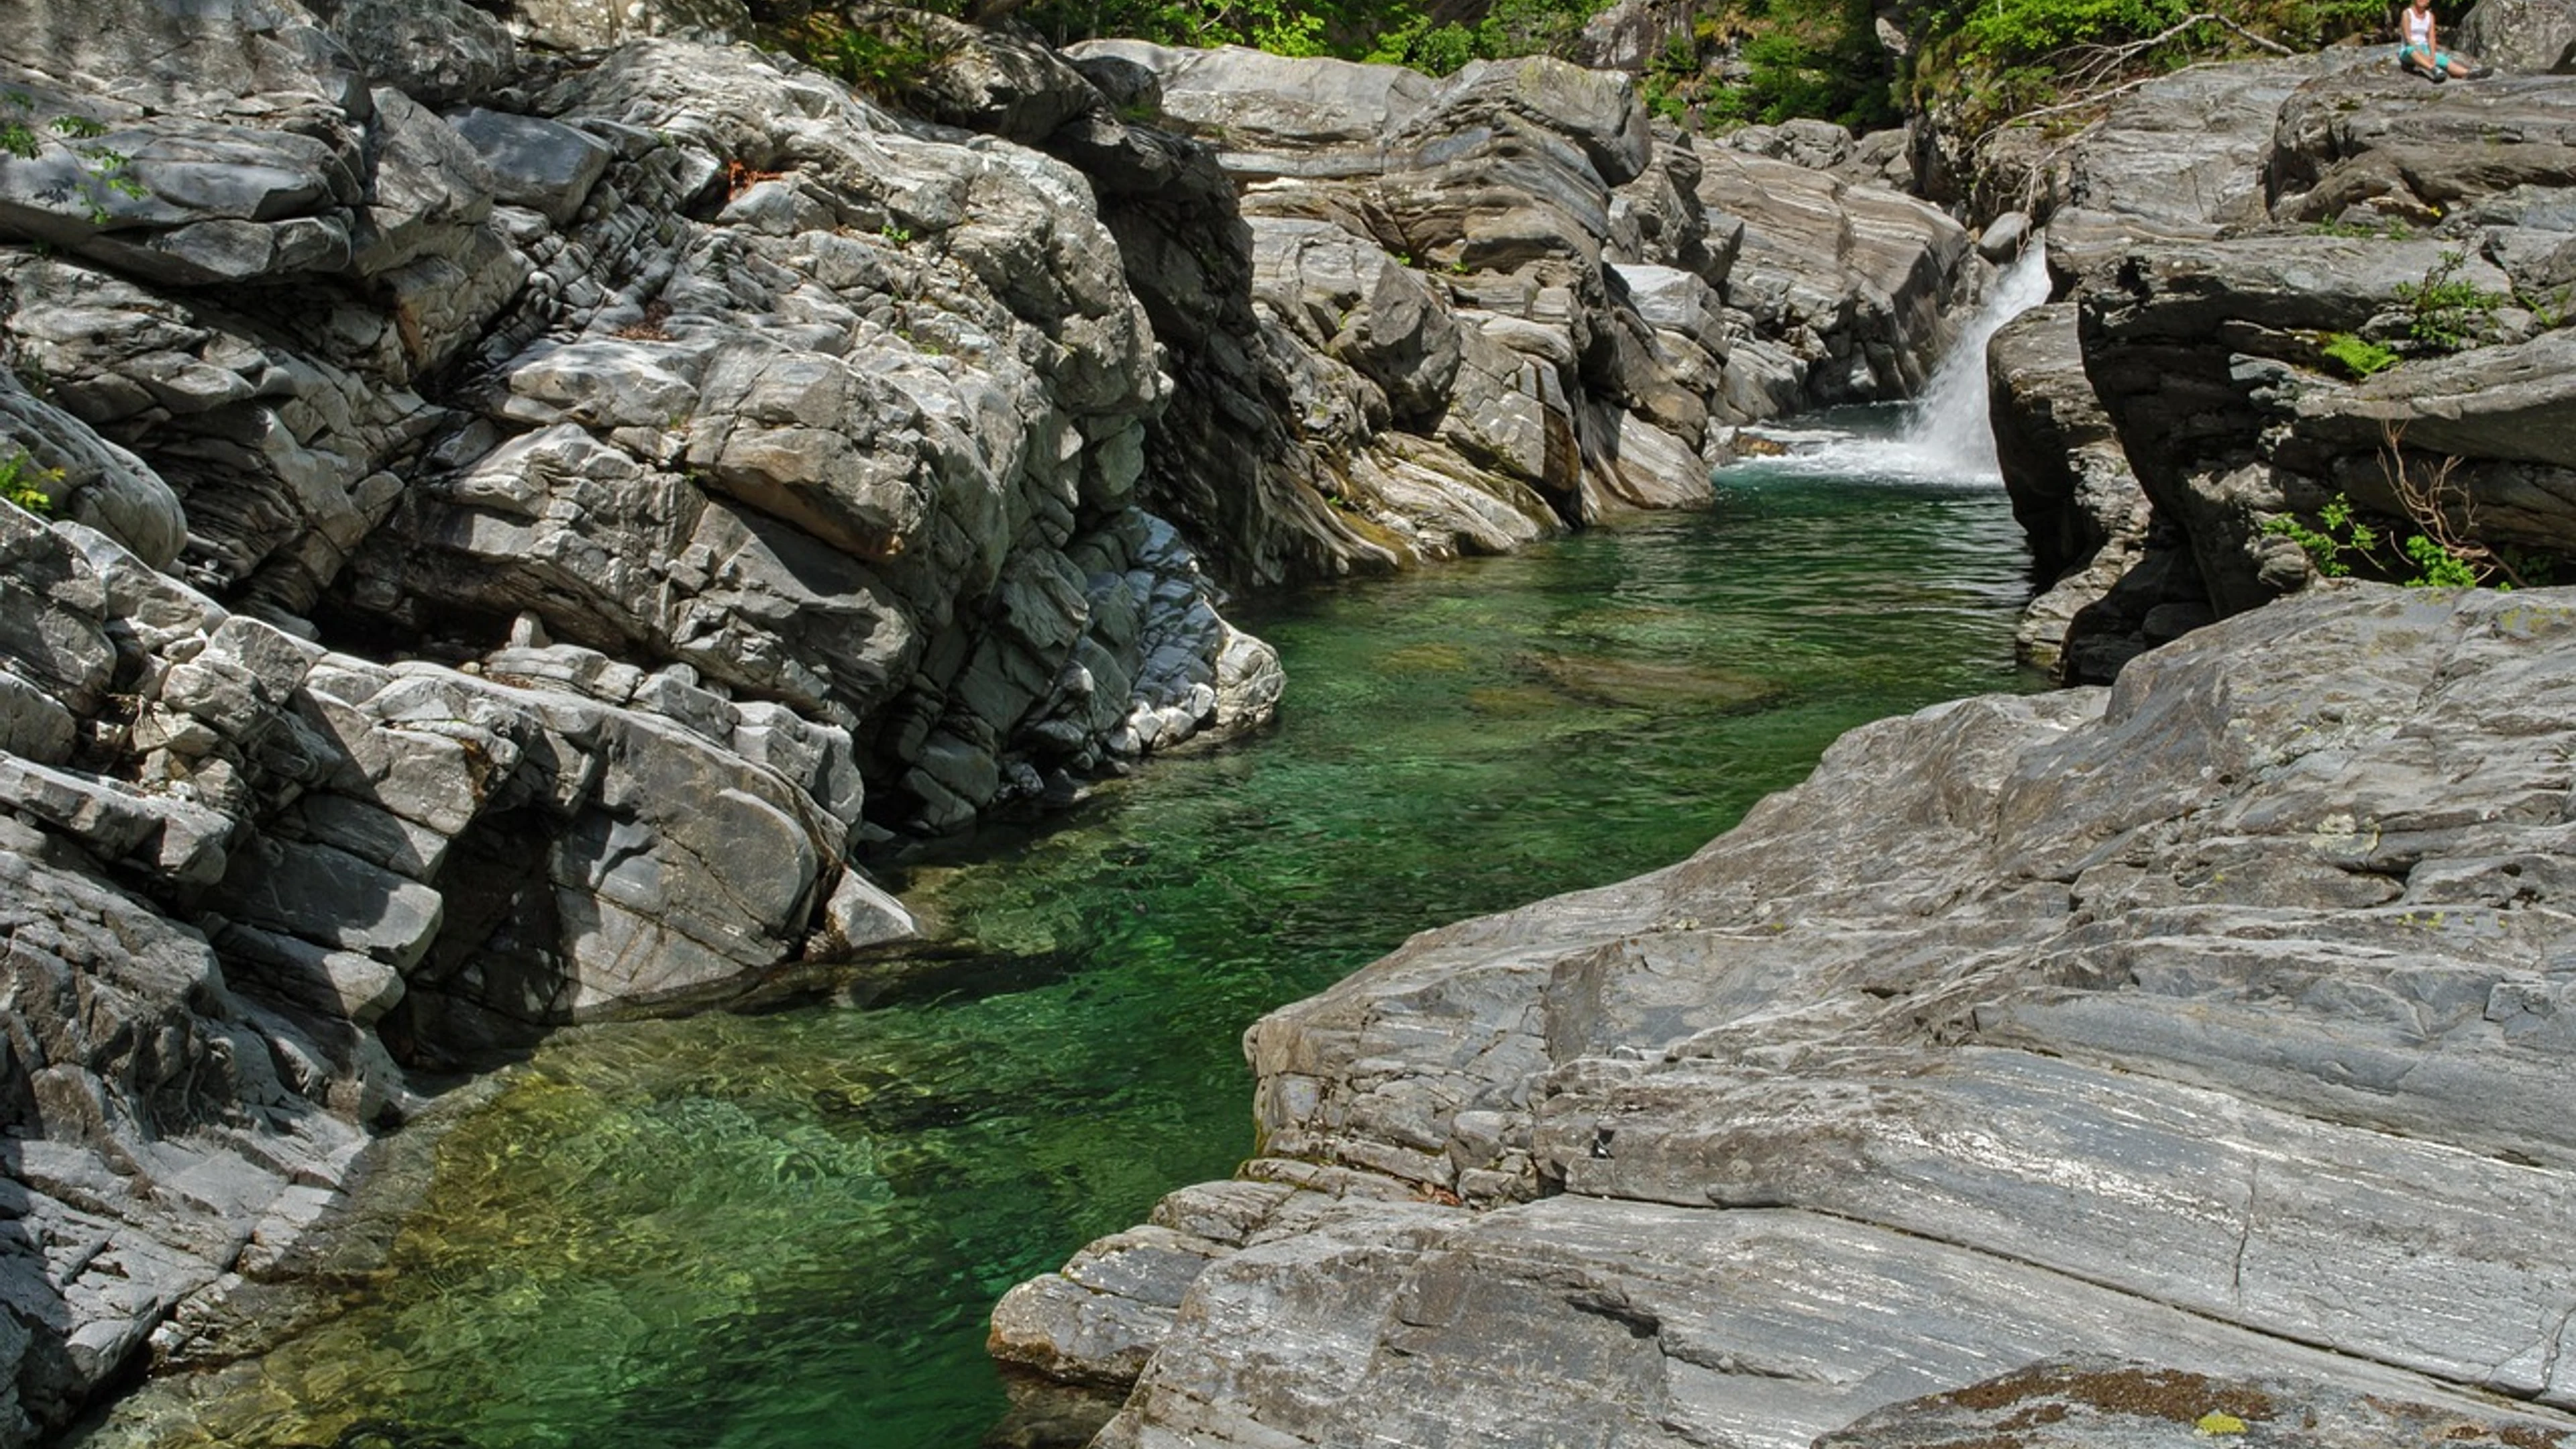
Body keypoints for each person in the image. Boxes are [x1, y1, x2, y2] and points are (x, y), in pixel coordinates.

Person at [2398, 0, 2492, 82]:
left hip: (2424, 47)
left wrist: (2432, 55)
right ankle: (2433, 70)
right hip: (2409, 50)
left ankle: (2469, 73)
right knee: (2411, 50)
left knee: (2443, 60)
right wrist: (2422, 54)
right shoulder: (2407, 14)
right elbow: (2408, 38)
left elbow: (2431, 38)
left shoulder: (2429, 16)